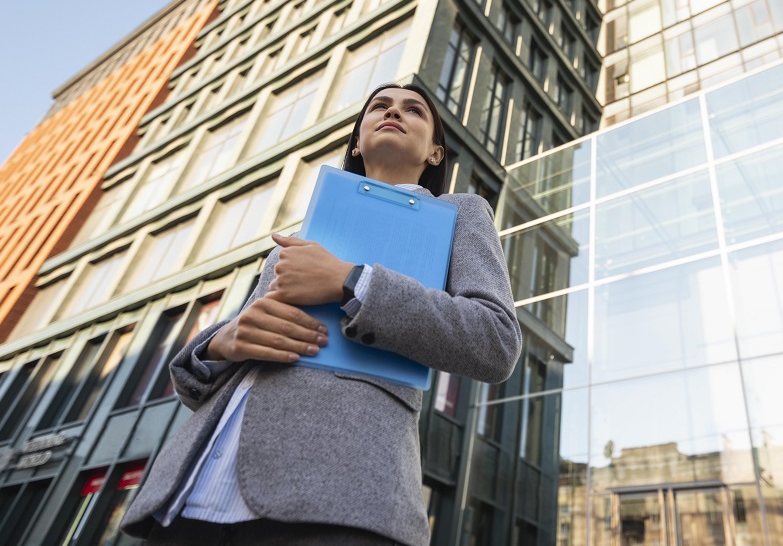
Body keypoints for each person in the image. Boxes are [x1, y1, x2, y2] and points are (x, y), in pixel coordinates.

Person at [120, 83, 522, 546]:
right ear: (356, 141)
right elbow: (203, 383)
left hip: (342, 493)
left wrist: (352, 281)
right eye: (380, 106)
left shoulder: (459, 214)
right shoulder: (299, 238)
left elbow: (495, 341)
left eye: (414, 110)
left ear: (435, 153)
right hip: (193, 492)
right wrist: (220, 343)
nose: (394, 111)